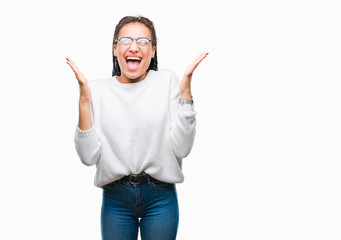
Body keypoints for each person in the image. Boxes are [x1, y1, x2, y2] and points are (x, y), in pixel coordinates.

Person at [66, 15, 208, 240]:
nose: (134, 47)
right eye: (126, 40)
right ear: (115, 49)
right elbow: (88, 157)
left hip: (160, 196)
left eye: (143, 41)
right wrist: (84, 101)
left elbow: (182, 149)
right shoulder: (96, 90)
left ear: (152, 51)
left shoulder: (167, 81)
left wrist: (186, 97)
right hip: (115, 198)